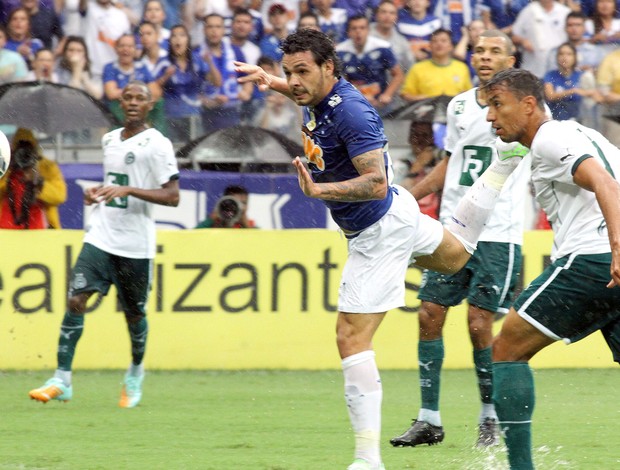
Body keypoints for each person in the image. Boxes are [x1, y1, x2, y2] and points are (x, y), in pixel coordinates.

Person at [234, 28, 528, 470]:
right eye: (288, 72)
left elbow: (375, 183)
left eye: (302, 72)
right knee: (457, 255)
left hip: (378, 230)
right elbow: (302, 92)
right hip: (400, 216)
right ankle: (501, 169)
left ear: (329, 68)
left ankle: (367, 459)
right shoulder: (317, 96)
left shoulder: (351, 112)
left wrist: (320, 191)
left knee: (350, 336)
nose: (293, 80)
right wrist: (268, 81)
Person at [390, 29, 528, 450]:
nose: (484, 57)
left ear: (512, 58)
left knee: (478, 323)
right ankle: (429, 419)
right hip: (454, 230)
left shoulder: (527, 109)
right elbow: (451, 164)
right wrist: (406, 197)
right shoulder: (460, 105)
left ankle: (489, 414)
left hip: (498, 233)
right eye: (478, 50)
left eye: (494, 51)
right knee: (429, 312)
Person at [481, 67, 620, 470]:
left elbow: (606, 185)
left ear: (528, 105)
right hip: (604, 257)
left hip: (593, 259)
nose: (490, 116)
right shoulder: (579, 133)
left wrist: (616, 247)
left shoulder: (549, 138)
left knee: (505, 349)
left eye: (497, 105)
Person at [28, 80, 180, 408]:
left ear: (150, 104)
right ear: (120, 103)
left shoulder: (158, 144)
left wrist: (128, 192)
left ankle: (136, 371)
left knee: (134, 315)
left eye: (141, 98)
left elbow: (172, 196)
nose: (134, 103)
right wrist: (97, 192)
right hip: (101, 235)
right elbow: (116, 184)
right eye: (128, 98)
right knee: (75, 300)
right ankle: (62, 379)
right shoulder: (110, 140)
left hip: (135, 245)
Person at [336, 15, 404, 117]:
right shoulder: (340, 51)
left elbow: (398, 75)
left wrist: (387, 95)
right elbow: (338, 81)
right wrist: (356, 95)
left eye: (362, 28)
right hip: (354, 104)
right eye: (354, 28)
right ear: (348, 32)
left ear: (368, 30)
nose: (358, 32)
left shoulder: (382, 47)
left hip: (381, 104)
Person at [0, 128, 67, 229]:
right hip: (6, 228)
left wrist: (39, 182)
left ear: (35, 151)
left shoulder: (47, 167)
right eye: (20, 150)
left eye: (28, 151)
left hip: (39, 230)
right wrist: (8, 171)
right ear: (13, 150)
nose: (23, 156)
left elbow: (60, 196)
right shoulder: (5, 166)